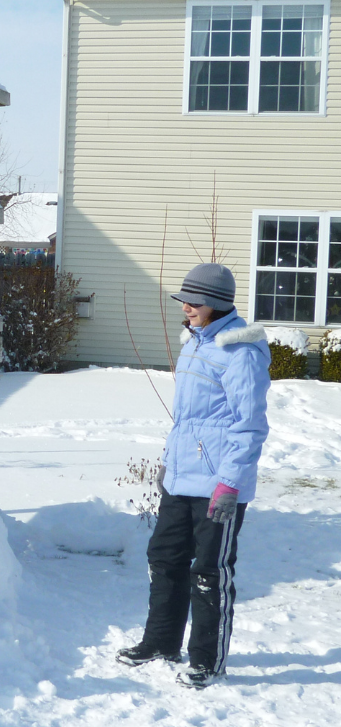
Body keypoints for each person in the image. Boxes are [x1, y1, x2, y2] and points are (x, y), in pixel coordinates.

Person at [117, 263, 270, 689]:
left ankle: (207, 659)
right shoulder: (196, 345)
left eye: (195, 301)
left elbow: (249, 425)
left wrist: (230, 484)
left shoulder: (240, 352)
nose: (186, 307)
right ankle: (161, 642)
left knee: (209, 571)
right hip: (182, 478)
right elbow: (189, 420)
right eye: (184, 299)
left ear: (217, 304)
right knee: (163, 559)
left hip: (219, 485)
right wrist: (169, 462)